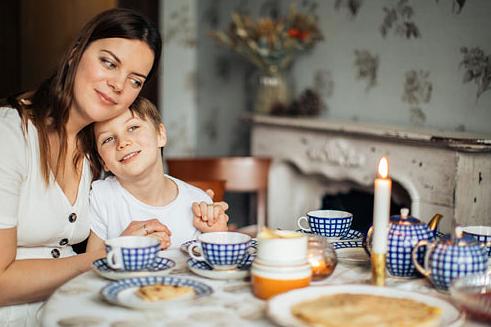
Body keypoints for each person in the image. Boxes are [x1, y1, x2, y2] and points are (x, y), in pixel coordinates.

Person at [0, 8, 227, 326]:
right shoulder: (9, 134)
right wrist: (104, 256)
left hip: (77, 306)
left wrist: (200, 210)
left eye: (135, 80)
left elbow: (147, 185)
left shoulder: (93, 149)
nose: (120, 85)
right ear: (76, 53)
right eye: (109, 62)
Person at [84, 97, 229, 252]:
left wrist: (217, 236)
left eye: (133, 127)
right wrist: (123, 245)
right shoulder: (102, 197)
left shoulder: (199, 203)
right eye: (108, 139)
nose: (122, 142)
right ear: (103, 161)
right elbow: (89, 266)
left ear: (160, 135)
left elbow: (215, 267)